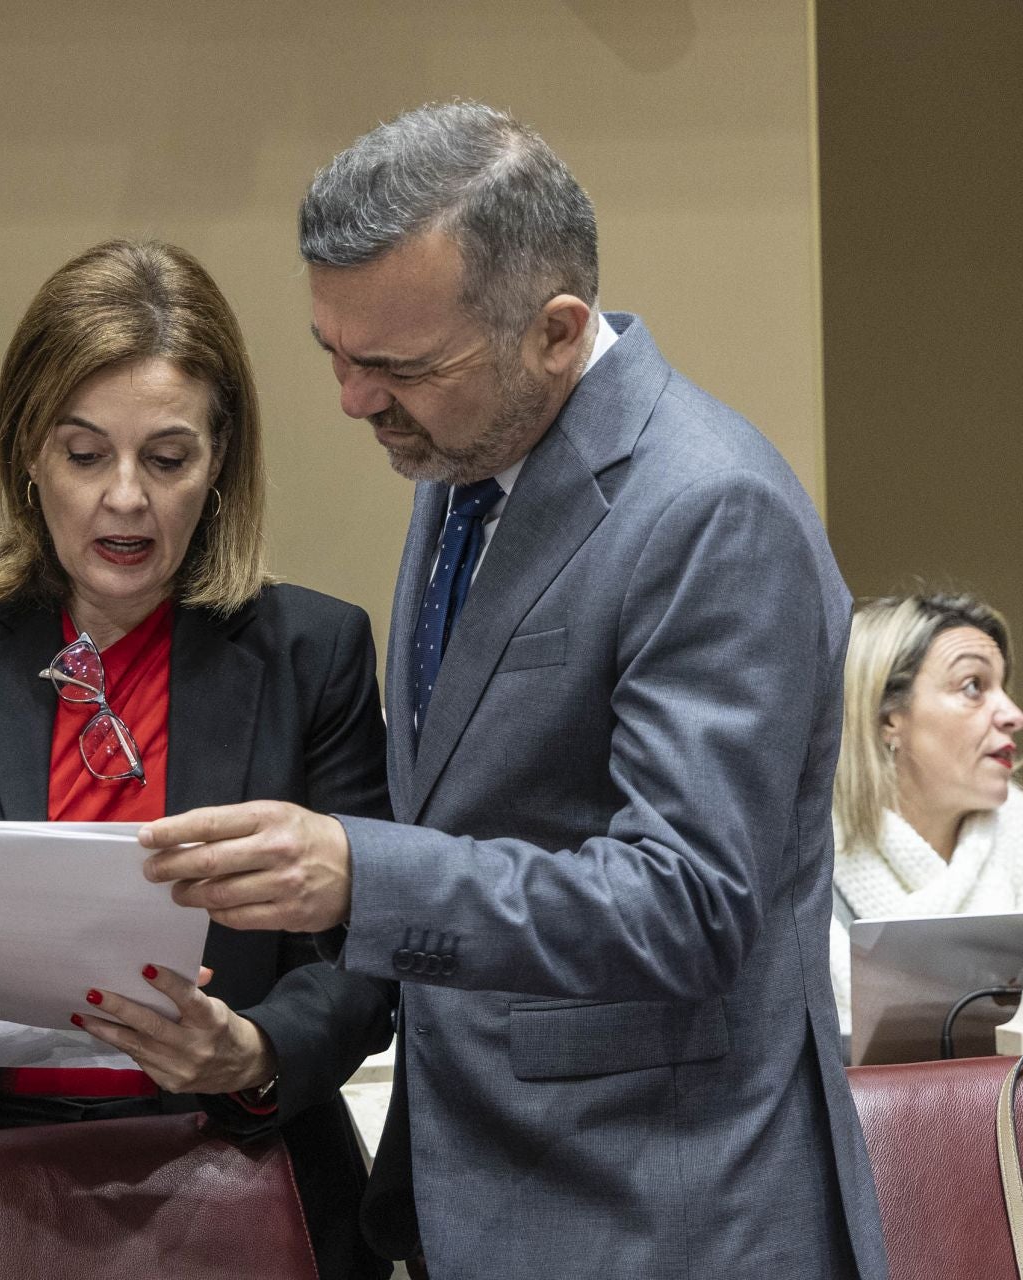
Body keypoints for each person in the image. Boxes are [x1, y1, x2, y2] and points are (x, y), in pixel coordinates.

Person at [138, 103, 889, 1277]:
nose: (351, 399)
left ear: (555, 330)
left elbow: (687, 903)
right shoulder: (467, 453)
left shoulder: (709, 509)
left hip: (668, 1215)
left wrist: (359, 871)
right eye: (332, 352)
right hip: (482, 1191)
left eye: (393, 365)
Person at [0, 239, 397, 1280]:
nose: (125, 498)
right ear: (29, 452)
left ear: (220, 461)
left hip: (227, 1168)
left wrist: (253, 1051)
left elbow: (361, 954)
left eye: (167, 458)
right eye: (85, 454)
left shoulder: (316, 651)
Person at [829, 593, 1023, 1028]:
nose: (1014, 714)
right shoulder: (805, 865)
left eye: (1003, 687)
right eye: (973, 687)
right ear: (887, 719)